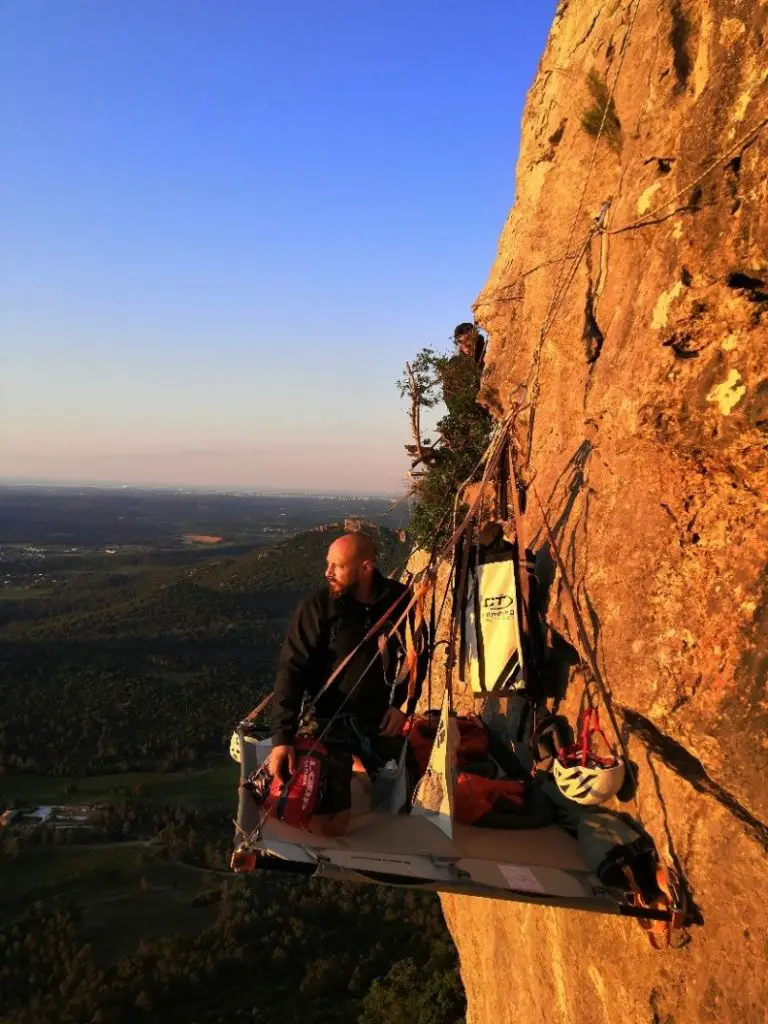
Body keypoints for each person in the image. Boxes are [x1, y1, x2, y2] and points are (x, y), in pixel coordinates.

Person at [266, 532, 427, 835]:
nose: (327, 573)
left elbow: (417, 655)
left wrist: (402, 705)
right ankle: (348, 770)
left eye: (337, 566)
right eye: (328, 564)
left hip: (378, 718)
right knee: (329, 825)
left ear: (365, 567)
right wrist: (282, 738)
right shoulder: (317, 608)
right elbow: (292, 671)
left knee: (410, 798)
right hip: (328, 721)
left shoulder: (400, 600)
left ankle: (358, 770)